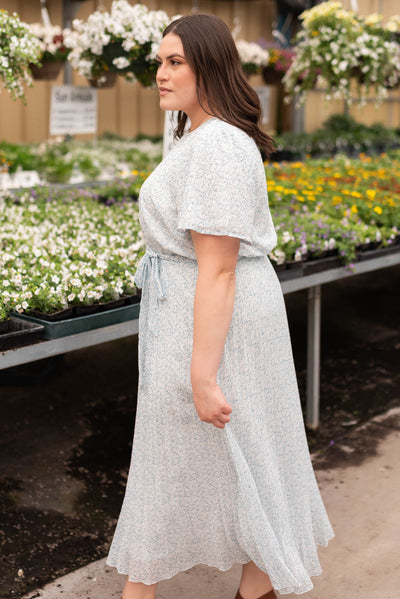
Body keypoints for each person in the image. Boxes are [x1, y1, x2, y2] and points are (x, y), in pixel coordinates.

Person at [106, 13, 334, 599]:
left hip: (215, 316)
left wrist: (202, 373)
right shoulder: (195, 134)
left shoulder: (220, 145)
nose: (160, 73)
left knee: (228, 445)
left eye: (175, 61)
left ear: (208, 67)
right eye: (159, 60)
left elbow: (220, 266)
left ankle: (163, 587)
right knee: (223, 448)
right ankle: (252, 588)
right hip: (194, 308)